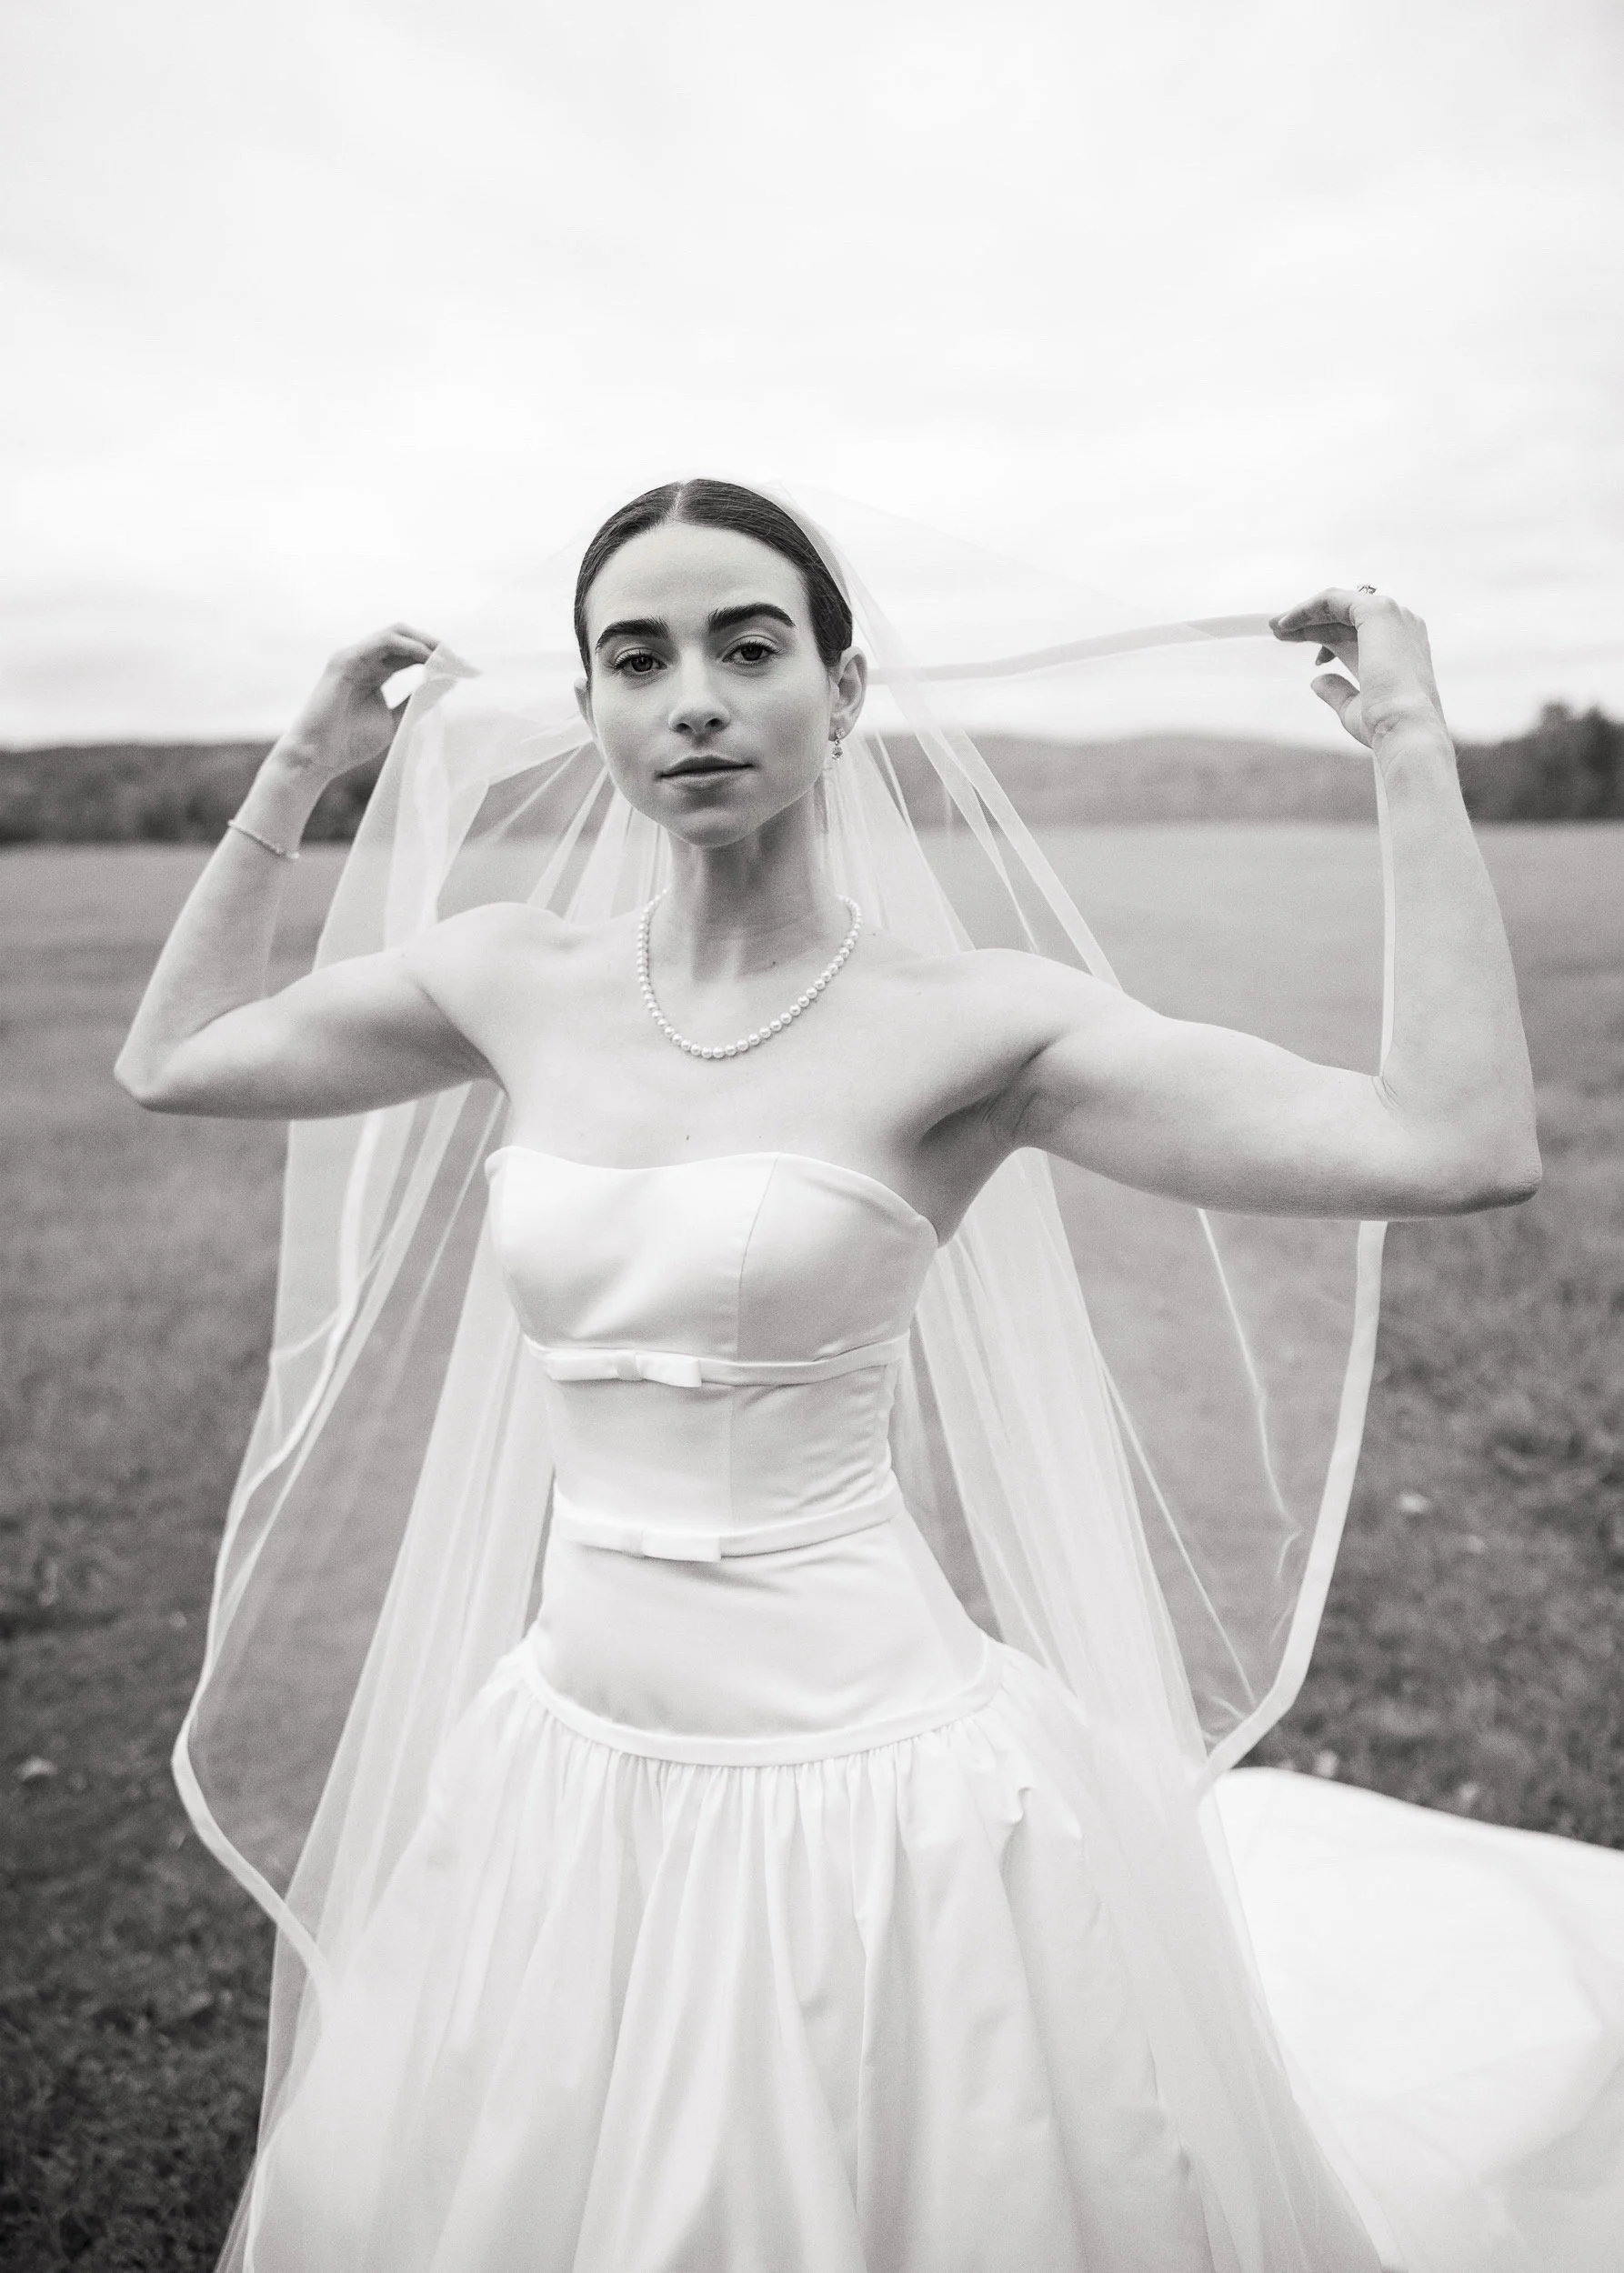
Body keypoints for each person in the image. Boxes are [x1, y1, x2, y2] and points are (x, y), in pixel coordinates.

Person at [115, 480, 1601, 2272]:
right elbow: (175, 1055)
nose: (692, 698)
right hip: (572, 1749)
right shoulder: (509, 975)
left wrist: (1409, 746)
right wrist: (300, 768)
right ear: (585, 704)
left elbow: (1446, 1141)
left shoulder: (973, 1021)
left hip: (869, 1782)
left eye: (748, 646)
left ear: (844, 689)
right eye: (634, 655)